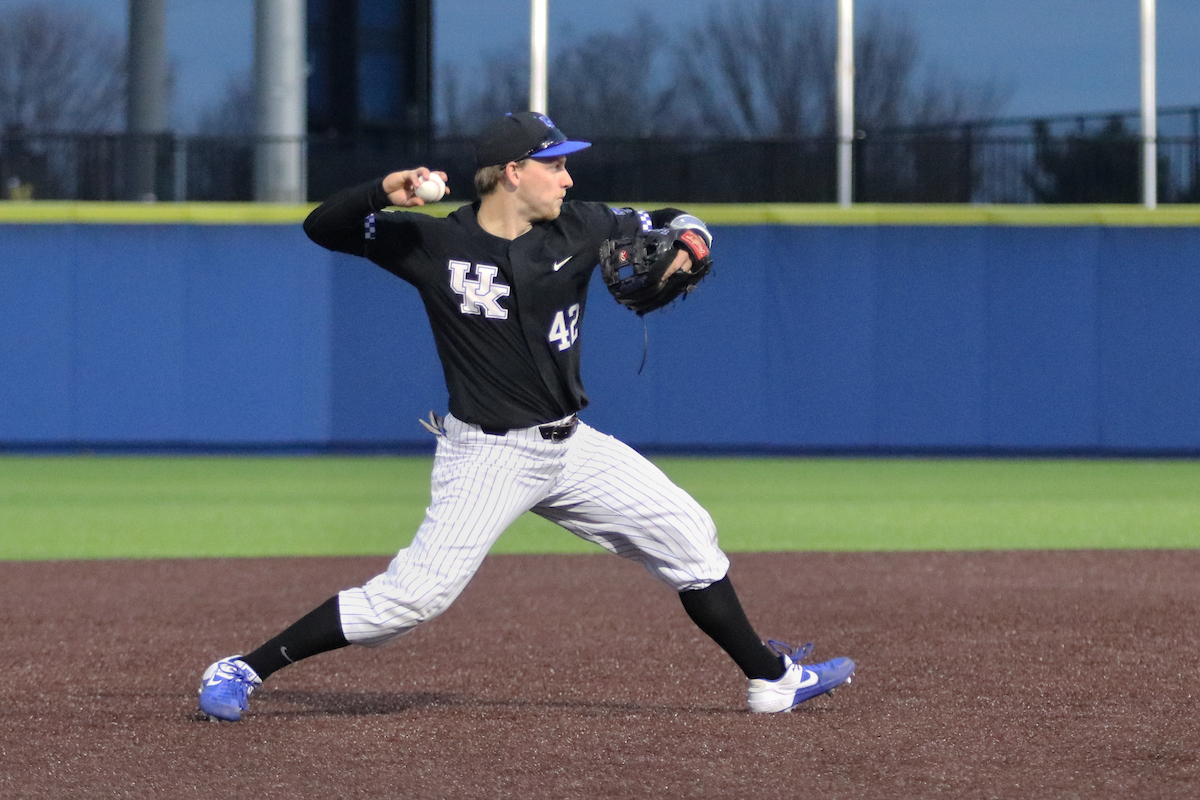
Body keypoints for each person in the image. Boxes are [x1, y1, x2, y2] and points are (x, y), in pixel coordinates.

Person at [197, 111, 855, 721]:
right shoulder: (434, 243)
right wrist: (382, 190)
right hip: (487, 456)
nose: (568, 178)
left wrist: (689, 240)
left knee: (688, 533)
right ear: (514, 173)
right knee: (411, 601)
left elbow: (671, 218)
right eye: (556, 165)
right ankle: (243, 669)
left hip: (569, 448)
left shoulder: (584, 224)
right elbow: (322, 226)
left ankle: (771, 679)